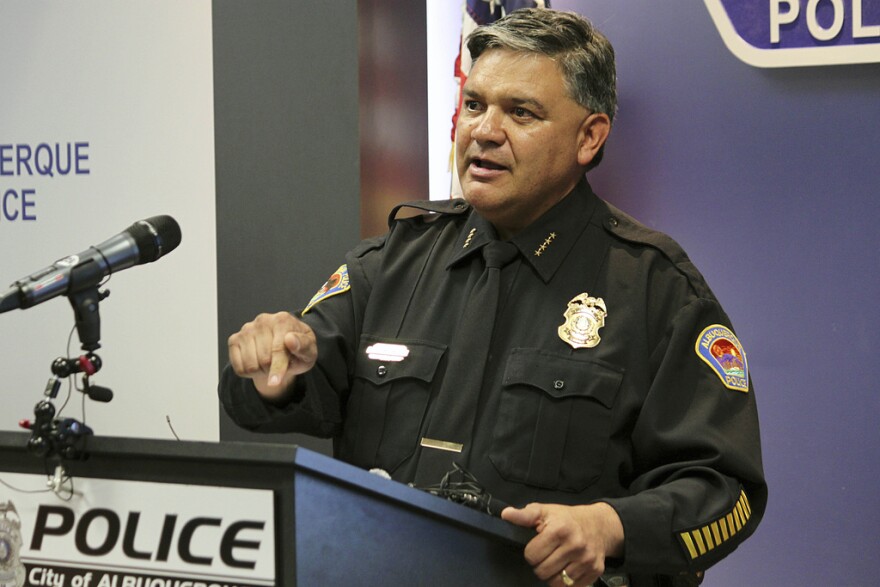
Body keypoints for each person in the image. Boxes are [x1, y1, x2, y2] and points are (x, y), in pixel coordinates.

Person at [220, 8, 766, 587]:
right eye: (475, 104)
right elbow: (273, 391)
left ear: (589, 137)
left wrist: (610, 527)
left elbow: (728, 491)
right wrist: (271, 372)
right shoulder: (390, 263)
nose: (482, 130)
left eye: (521, 112)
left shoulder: (655, 289)